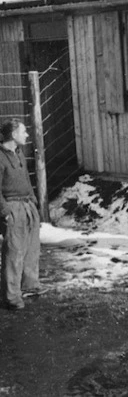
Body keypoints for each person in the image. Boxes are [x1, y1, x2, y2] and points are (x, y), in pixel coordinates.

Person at [0, 119, 43, 311]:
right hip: (13, 207)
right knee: (14, 253)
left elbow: (26, 178)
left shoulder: (19, 154)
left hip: (27, 205)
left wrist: (33, 200)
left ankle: (30, 285)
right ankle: (12, 296)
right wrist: (5, 211)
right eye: (23, 132)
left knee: (32, 248)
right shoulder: (0, 158)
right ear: (13, 135)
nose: (26, 135)